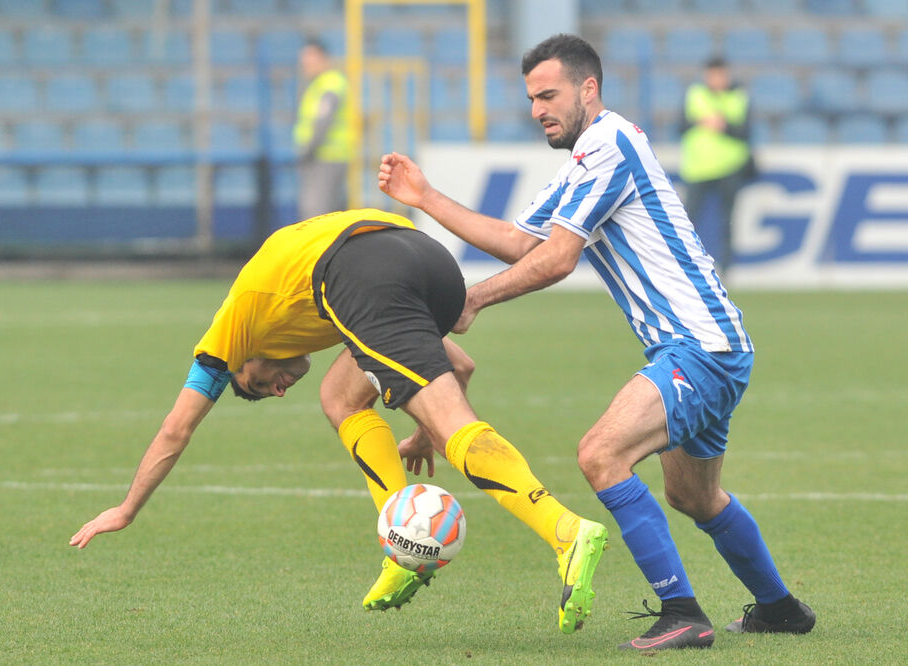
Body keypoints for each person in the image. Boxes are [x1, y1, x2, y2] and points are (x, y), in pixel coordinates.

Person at [378, 34, 814, 651]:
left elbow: (557, 260)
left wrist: (474, 298)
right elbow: (517, 241)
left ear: (589, 89)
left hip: (699, 347)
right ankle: (781, 609)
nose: (538, 110)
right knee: (693, 493)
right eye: (532, 99)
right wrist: (424, 198)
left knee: (599, 455)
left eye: (549, 95)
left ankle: (682, 612)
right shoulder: (587, 159)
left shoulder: (609, 145)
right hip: (702, 347)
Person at [69, 208, 608, 634]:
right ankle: (403, 552)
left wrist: (127, 509)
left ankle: (565, 532)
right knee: (341, 397)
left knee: (450, 423)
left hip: (359, 271)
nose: (277, 390)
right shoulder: (308, 309)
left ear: (242, 360)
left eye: (258, 383)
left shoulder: (228, 333)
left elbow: (175, 430)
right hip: (429, 261)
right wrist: (421, 429)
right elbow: (459, 363)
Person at [679, 56, 756, 274]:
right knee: (688, 222)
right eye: (712, 75)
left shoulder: (739, 97)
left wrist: (724, 126)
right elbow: (680, 126)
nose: (716, 79)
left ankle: (726, 269)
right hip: (698, 169)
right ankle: (685, 266)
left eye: (720, 75)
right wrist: (700, 122)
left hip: (730, 168)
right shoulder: (694, 95)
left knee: (727, 221)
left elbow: (746, 133)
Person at [292, 38, 354, 220]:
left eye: (310, 58)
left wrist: (307, 150)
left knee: (316, 214)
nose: (305, 64)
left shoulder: (330, 84)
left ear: (323, 58)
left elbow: (322, 121)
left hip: (326, 157)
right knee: (325, 213)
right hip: (323, 157)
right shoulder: (320, 84)